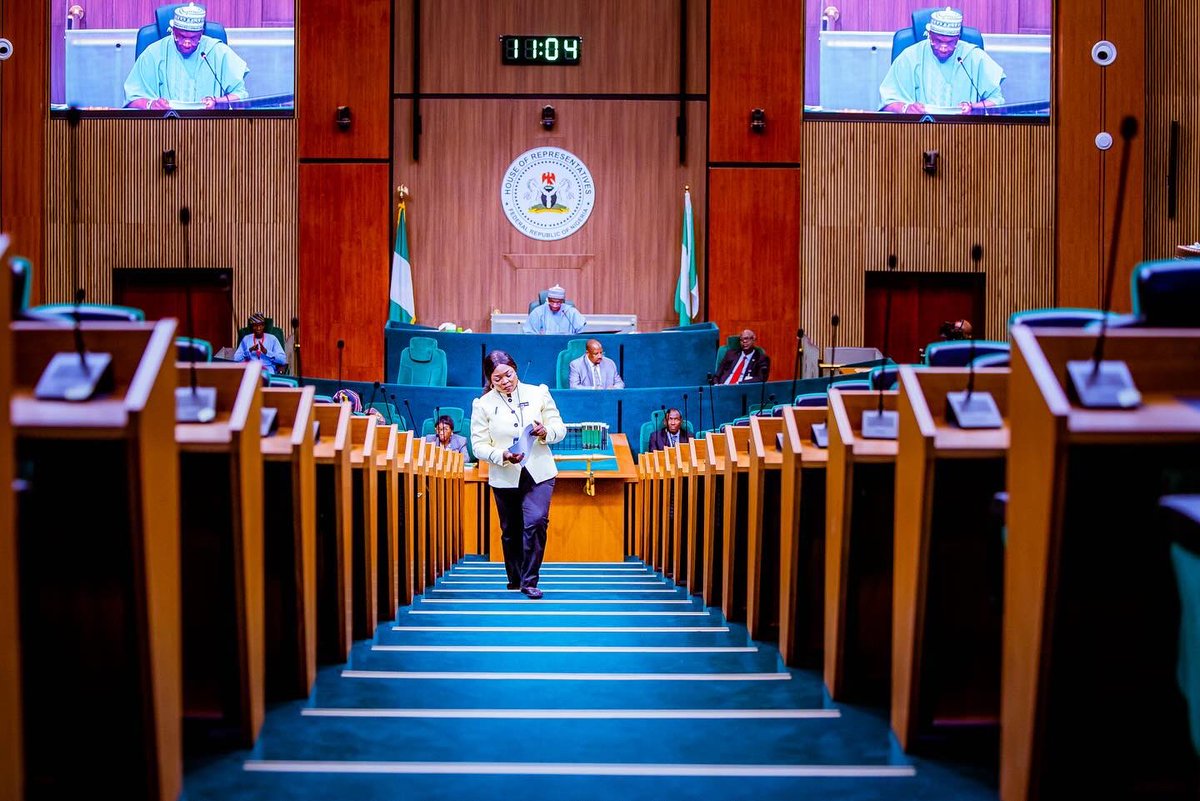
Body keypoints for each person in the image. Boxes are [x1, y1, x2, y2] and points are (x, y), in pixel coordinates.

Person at [470, 350, 566, 599]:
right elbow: (478, 445)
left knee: (536, 521)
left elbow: (559, 428)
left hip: (539, 471)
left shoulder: (539, 393)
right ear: (490, 380)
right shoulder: (483, 404)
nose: (505, 381)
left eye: (508, 374)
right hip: (505, 473)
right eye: (497, 378)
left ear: (515, 369)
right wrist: (502, 455)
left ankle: (530, 580)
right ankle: (515, 577)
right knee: (511, 530)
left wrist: (547, 432)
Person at [879, 7, 1006, 115]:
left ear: (957, 38)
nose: (943, 48)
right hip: (918, 132)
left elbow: (997, 102)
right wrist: (906, 108)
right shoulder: (909, 56)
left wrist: (973, 107)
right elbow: (887, 102)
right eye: (938, 41)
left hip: (965, 132)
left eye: (950, 43)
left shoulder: (975, 57)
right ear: (929, 34)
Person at [124, 3, 249, 110]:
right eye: (181, 36)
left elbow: (240, 95)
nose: (187, 43)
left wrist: (217, 101)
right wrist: (151, 104)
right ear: (173, 31)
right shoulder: (153, 53)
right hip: (164, 128)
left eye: (194, 38)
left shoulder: (218, 51)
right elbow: (131, 99)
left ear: (201, 34)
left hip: (209, 127)